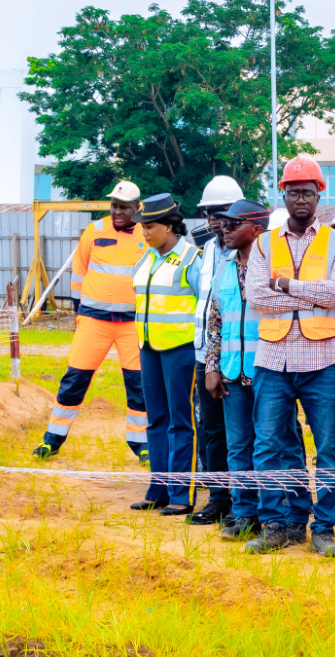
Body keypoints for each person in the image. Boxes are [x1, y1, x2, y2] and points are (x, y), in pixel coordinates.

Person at [244, 156, 335, 558]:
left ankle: (323, 528)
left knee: (329, 448)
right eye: (294, 193)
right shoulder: (263, 243)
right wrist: (312, 293)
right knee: (268, 445)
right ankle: (276, 525)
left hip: (324, 359)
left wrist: (286, 284)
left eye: (308, 193)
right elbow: (256, 297)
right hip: (273, 359)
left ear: (319, 195)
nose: (301, 200)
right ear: (284, 196)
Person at [35, 181, 149, 463]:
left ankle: (142, 445)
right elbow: (78, 274)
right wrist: (79, 312)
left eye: (124, 207)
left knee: (139, 385)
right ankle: (51, 441)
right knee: (74, 380)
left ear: (138, 207)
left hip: (132, 325)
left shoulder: (147, 234)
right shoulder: (95, 231)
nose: (117, 211)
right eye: (114, 205)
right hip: (94, 322)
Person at [201, 199, 280, 540]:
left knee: (271, 445)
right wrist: (212, 367)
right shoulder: (224, 267)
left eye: (234, 223)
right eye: (224, 223)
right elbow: (215, 321)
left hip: (269, 372)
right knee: (237, 446)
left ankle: (276, 515)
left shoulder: (275, 267)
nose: (225, 228)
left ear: (257, 230)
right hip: (232, 372)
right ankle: (244, 514)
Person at [130, 193, 202, 515]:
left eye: (150, 226)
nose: (144, 232)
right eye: (142, 226)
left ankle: (181, 494)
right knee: (156, 419)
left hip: (180, 350)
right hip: (149, 348)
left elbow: (206, 303)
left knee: (180, 420)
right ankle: (157, 490)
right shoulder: (144, 260)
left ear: (170, 226)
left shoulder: (191, 258)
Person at [187, 175, 244, 527]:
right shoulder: (206, 251)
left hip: (238, 356)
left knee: (245, 431)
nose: (216, 220)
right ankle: (219, 498)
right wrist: (208, 358)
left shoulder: (253, 249)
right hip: (204, 356)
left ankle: (248, 500)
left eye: (222, 212)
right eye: (210, 213)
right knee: (212, 430)